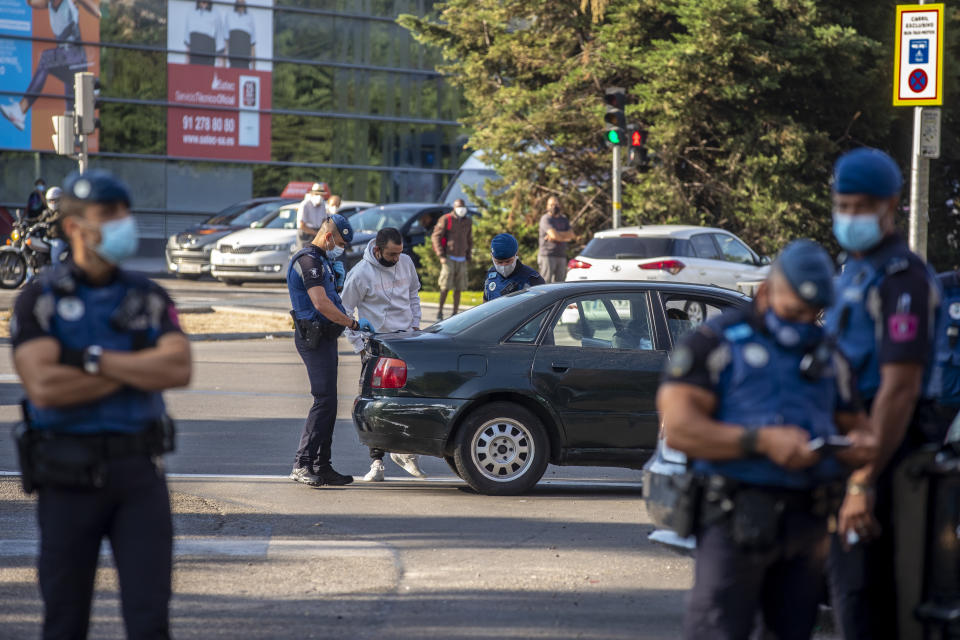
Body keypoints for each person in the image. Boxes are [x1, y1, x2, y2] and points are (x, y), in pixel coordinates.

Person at [658, 239, 875, 640]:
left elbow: (858, 425)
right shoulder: (715, 343)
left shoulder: (828, 355)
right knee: (718, 630)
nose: (803, 322)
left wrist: (860, 458)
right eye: (795, 311)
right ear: (767, 289)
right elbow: (681, 428)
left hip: (806, 527)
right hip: (733, 519)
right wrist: (759, 442)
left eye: (813, 315)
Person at [10, 169, 191, 639]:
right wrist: (134, 367)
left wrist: (88, 359)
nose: (121, 222)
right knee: (65, 621)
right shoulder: (40, 300)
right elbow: (45, 385)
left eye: (124, 211)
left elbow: (177, 368)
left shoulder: (146, 296)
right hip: (66, 478)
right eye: (108, 214)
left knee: (150, 621)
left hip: (138, 478)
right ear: (74, 226)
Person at [823, 148, 945, 640]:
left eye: (862, 207)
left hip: (887, 454)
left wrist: (863, 480)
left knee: (870, 602)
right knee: (847, 595)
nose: (851, 216)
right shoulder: (854, 271)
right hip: (848, 448)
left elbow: (899, 389)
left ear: (891, 204)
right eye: (843, 205)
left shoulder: (904, 279)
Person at [287, 214, 374, 487]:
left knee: (330, 403)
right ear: (328, 237)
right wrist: (354, 323)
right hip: (313, 338)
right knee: (323, 400)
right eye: (341, 242)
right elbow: (321, 304)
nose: (343, 248)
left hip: (325, 338)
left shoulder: (324, 260)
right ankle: (302, 464)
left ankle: (322, 465)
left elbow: (331, 295)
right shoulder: (308, 261)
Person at [340, 227, 428, 482]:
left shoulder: (406, 262)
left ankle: (406, 452)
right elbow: (346, 312)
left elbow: (414, 294)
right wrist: (360, 346)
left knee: (411, 399)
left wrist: (414, 327)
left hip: (407, 341)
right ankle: (377, 461)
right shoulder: (360, 274)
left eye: (400, 253)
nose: (397, 259)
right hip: (377, 347)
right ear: (377, 250)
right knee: (377, 404)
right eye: (392, 254)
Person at [0, 0, 99, 131]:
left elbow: (98, 12)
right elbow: (31, 3)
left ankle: (21, 109)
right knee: (71, 107)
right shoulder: (49, 4)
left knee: (46, 58)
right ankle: (74, 139)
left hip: (75, 57)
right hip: (65, 60)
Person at [430, 198, 472, 320]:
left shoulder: (468, 221)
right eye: (459, 206)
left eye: (463, 206)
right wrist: (441, 255)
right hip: (448, 257)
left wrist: (468, 254)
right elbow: (436, 236)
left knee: (459, 287)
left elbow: (469, 239)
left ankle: (455, 313)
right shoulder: (446, 219)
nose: (461, 209)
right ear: (454, 207)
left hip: (462, 258)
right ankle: (440, 311)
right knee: (445, 286)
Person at [483, 233, 545, 302]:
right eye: (499, 262)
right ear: (492, 256)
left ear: (516, 255)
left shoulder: (532, 279)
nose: (503, 266)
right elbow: (485, 305)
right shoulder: (491, 276)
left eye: (508, 261)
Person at [537, 196, 575, 283]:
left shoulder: (564, 219)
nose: (554, 207)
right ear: (547, 207)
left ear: (559, 205)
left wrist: (557, 234)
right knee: (545, 284)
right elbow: (554, 236)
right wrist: (565, 237)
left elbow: (572, 235)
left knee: (560, 284)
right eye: (551, 205)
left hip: (561, 255)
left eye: (556, 204)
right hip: (547, 255)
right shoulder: (545, 219)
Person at [184, 0, 222, 66]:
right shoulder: (191, 11)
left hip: (208, 60)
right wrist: (186, 64)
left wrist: (221, 68)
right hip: (194, 59)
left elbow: (220, 41)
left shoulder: (216, 13)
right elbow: (188, 42)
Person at [222, 0, 255, 69]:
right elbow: (226, 43)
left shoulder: (250, 17)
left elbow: (252, 45)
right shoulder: (229, 15)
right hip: (232, 63)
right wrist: (224, 66)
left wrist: (254, 68)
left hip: (245, 64)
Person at [296, 182, 330, 248]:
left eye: (321, 194)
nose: (319, 196)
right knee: (305, 255)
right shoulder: (305, 204)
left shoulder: (323, 204)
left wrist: (323, 231)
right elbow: (301, 225)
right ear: (312, 194)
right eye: (317, 194)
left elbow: (324, 220)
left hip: (317, 232)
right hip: (306, 234)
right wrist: (316, 234)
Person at [42, 185, 68, 265]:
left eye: (54, 200)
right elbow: (38, 218)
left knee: (55, 260)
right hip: (47, 238)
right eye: (50, 200)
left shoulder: (62, 211)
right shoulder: (48, 212)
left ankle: (56, 276)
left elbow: (54, 219)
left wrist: (45, 221)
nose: (52, 202)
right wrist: (24, 221)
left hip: (58, 239)